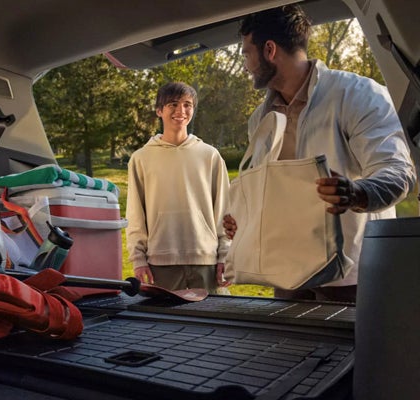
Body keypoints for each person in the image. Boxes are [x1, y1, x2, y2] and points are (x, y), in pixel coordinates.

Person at [222, 5, 416, 303]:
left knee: (348, 351)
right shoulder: (259, 120)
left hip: (350, 276)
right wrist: (244, 219)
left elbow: (398, 171)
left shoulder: (359, 94)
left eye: (247, 53)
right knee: (282, 351)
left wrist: (357, 193)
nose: (246, 64)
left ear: (269, 50)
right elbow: (269, 192)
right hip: (286, 274)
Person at [126, 82, 231, 294]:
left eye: (187, 104)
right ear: (159, 110)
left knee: (213, 324)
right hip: (160, 263)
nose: (180, 111)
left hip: (206, 261)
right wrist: (139, 259)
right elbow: (135, 214)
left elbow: (225, 210)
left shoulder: (210, 156)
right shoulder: (141, 159)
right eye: (173, 104)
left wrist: (226, 256)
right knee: (167, 325)